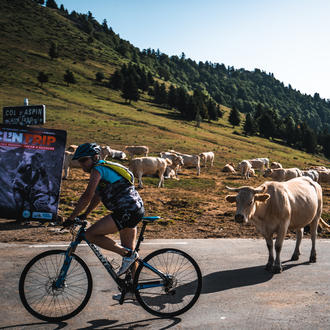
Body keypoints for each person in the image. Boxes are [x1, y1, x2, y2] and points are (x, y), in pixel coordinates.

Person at [64, 142, 144, 300]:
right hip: (133, 209)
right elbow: (96, 197)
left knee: (90, 235)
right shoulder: (103, 171)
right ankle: (133, 291)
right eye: (79, 161)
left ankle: (127, 255)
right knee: (130, 252)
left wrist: (71, 217)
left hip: (126, 210)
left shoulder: (98, 169)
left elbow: (87, 195)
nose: (81, 164)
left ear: (95, 158)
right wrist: (85, 214)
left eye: (84, 160)